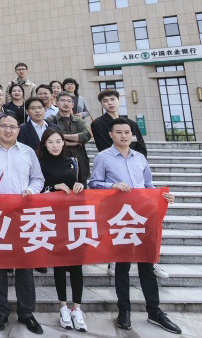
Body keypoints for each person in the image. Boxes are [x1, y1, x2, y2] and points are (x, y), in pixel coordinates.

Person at [89, 119, 181, 334]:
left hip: (142, 217)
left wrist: (163, 196)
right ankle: (124, 310)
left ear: (132, 135)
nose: (124, 135)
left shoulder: (140, 157)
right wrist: (112, 185)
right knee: (122, 266)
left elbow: (147, 185)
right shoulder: (103, 157)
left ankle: (154, 312)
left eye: (127, 132)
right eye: (119, 132)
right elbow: (93, 183)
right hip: (120, 218)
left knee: (147, 265)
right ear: (111, 135)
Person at [0, 113, 44, 335]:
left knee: (25, 267)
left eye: (12, 127)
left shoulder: (28, 152)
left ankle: (26, 312)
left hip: (23, 216)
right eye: (4, 125)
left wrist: (31, 190)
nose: (8, 130)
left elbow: (38, 179)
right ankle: (1, 312)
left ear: (18, 130)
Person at [36, 129, 87, 333]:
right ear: (45, 144)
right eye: (51, 142)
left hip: (74, 218)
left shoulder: (73, 161)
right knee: (59, 263)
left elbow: (85, 183)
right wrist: (53, 187)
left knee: (76, 264)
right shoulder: (40, 164)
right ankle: (63, 307)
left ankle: (77, 309)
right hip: (53, 219)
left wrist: (80, 185)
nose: (55, 145)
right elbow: (38, 189)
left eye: (58, 141)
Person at [47, 91, 92, 186]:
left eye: (69, 101)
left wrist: (61, 138)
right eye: (63, 100)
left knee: (81, 189)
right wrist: (76, 141)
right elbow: (49, 138)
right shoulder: (51, 120)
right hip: (59, 162)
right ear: (56, 102)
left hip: (80, 161)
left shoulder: (78, 120)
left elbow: (86, 135)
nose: (66, 103)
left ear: (73, 104)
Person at [91, 90, 147, 157]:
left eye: (112, 99)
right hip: (112, 160)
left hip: (134, 160)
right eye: (105, 101)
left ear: (119, 100)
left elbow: (141, 148)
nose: (110, 103)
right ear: (102, 105)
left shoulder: (132, 124)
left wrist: (135, 160)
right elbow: (103, 147)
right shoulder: (98, 124)